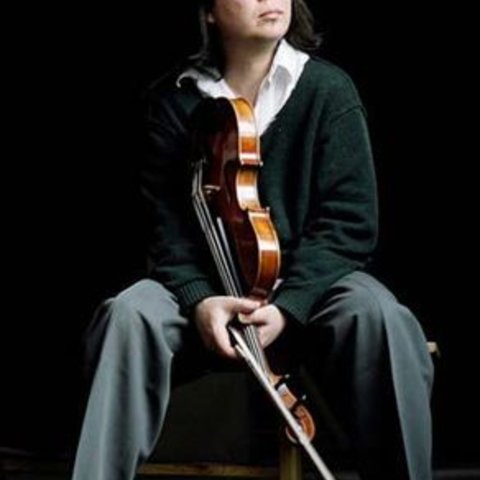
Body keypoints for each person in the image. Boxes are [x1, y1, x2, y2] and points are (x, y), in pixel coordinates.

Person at [71, 1, 434, 479]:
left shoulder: (327, 90)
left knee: (380, 316)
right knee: (127, 314)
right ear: (208, 12)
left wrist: (289, 305)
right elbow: (165, 229)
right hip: (204, 298)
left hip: (310, 293)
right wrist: (200, 300)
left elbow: (348, 224)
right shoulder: (173, 101)